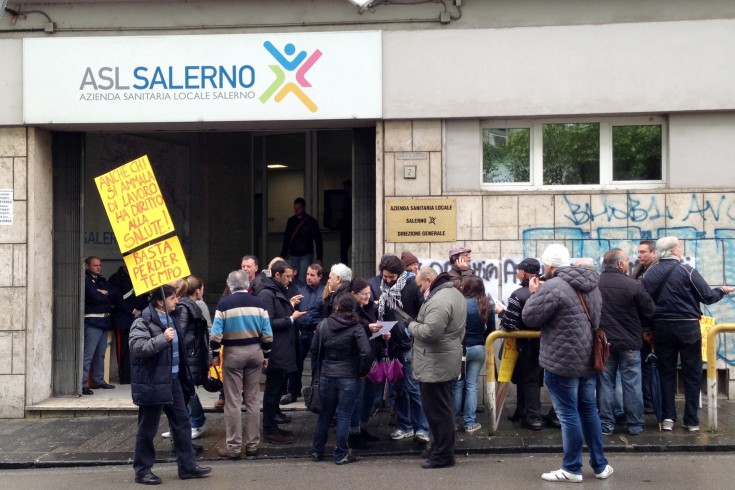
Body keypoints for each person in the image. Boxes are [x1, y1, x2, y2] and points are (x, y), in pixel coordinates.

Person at [523, 244, 613, 482]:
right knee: (588, 410)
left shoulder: (553, 286)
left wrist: (534, 295)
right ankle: (600, 465)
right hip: (587, 358)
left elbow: (529, 317)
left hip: (561, 361)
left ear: (550, 265)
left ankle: (572, 468)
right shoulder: (592, 285)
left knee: (568, 414)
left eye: (544, 265)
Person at [642, 236, 734, 432]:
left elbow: (644, 305)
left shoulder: (649, 274)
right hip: (688, 328)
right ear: (675, 250)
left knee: (665, 373)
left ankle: (667, 418)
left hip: (661, 328)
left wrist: (647, 328)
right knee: (691, 374)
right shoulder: (688, 271)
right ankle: (691, 420)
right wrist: (721, 291)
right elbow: (707, 297)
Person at [129, 285, 211, 485]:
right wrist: (161, 339)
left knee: (182, 422)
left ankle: (187, 466)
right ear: (160, 302)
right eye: (173, 298)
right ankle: (142, 470)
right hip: (153, 382)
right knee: (147, 428)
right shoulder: (142, 321)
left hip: (173, 380)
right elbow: (137, 348)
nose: (177, 301)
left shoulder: (172, 318)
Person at [210, 270, 273, 459]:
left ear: (230, 286)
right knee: (253, 399)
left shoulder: (224, 304)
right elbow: (268, 334)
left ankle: (234, 447)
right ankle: (253, 445)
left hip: (233, 354)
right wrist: (267, 355)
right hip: (255, 352)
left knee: (233, 401)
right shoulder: (259, 304)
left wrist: (214, 354)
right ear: (248, 285)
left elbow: (215, 335)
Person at [408, 268, 466, 469]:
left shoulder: (440, 300)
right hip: (442, 359)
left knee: (438, 412)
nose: (419, 289)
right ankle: (439, 450)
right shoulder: (453, 294)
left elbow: (431, 332)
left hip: (436, 362)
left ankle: (442, 455)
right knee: (443, 409)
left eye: (420, 285)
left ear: (429, 280)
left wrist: (410, 325)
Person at [309, 293, 373, 465]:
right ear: (353, 308)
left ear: (336, 307)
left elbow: (314, 349)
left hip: (326, 374)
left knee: (325, 414)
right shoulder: (356, 327)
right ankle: (341, 454)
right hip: (348, 375)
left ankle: (317, 450)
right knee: (344, 415)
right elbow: (366, 353)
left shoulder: (323, 325)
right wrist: (361, 371)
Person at [597, 249, 655, 436]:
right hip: (630, 342)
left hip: (604, 343)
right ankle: (635, 425)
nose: (629, 264)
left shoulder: (594, 284)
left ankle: (606, 424)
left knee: (606, 384)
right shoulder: (633, 285)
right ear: (620, 264)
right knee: (632, 384)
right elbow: (650, 311)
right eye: (627, 261)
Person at [376, 254, 428, 443]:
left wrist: (409, 330)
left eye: (391, 277)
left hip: (409, 344)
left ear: (400, 273)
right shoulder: (382, 290)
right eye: (385, 276)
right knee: (398, 390)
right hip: (392, 345)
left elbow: (422, 314)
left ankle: (421, 428)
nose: (388, 281)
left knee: (414, 388)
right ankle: (405, 426)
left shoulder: (412, 287)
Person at [256, 260, 306, 444]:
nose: (289, 280)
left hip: (281, 349)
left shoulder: (276, 291)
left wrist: (289, 305)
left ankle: (273, 427)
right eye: (287, 277)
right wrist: (291, 319)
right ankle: (269, 430)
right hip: (275, 350)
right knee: (272, 390)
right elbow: (266, 323)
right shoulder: (267, 294)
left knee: (276, 389)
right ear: (276, 275)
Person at [160, 276, 210, 441]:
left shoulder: (184, 307)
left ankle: (195, 421)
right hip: (186, 354)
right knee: (181, 391)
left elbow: (180, 333)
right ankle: (181, 425)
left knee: (184, 391)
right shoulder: (185, 305)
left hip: (185, 355)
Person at [452, 275, 493, 433]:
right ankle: (470, 423)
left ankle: (454, 422)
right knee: (472, 386)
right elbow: (491, 331)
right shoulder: (486, 304)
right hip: (478, 348)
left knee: (458, 385)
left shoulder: (459, 303)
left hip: (460, 348)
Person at [282, 263, 325, 405]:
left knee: (315, 364)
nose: (308, 277)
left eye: (312, 275)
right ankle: (293, 391)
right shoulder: (300, 290)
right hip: (301, 332)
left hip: (315, 332)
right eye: (307, 274)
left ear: (320, 277)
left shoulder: (324, 292)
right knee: (295, 363)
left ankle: (314, 394)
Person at [348, 277, 382, 449]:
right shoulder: (350, 309)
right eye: (364, 294)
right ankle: (354, 433)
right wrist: (368, 327)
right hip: (358, 360)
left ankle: (362, 427)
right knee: (358, 397)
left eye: (369, 294)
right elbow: (353, 327)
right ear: (354, 294)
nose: (368, 297)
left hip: (370, 356)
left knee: (368, 396)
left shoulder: (369, 307)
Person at [109, 264, 148, 385]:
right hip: (123, 320)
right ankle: (125, 377)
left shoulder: (141, 277)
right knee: (123, 349)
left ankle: (136, 375)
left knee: (139, 348)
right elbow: (117, 299)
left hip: (140, 318)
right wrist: (132, 311)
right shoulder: (115, 278)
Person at [82, 256, 115, 395]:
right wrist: (103, 295)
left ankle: (98, 380)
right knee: (88, 355)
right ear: (87, 266)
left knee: (100, 354)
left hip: (104, 321)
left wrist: (105, 293)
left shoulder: (101, 280)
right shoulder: (86, 280)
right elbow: (95, 298)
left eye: (100, 265)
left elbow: (114, 294)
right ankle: (82, 384)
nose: (98, 267)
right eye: (95, 265)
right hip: (93, 322)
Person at [632, 240, 657, 413]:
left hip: (650, 326)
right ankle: (648, 400)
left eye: (643, 252)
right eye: (639, 252)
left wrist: (647, 328)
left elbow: (648, 302)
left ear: (654, 253)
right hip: (642, 326)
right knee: (644, 365)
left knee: (649, 365)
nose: (640, 255)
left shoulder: (654, 272)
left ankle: (650, 401)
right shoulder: (640, 269)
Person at [281, 197, 323, 282]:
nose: (296, 210)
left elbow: (318, 240)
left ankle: (302, 294)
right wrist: (282, 255)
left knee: (303, 278)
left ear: (303, 208)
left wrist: (319, 258)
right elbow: (287, 239)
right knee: (290, 278)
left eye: (298, 208)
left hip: (306, 254)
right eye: (295, 208)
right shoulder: (291, 221)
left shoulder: (311, 222)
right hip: (293, 254)